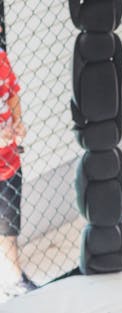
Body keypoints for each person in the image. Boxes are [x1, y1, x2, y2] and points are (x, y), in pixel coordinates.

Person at [0, 42, 36, 298]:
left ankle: (14, 277)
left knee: (9, 224)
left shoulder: (1, 59)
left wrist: (18, 122)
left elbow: (12, 95)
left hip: (9, 161)